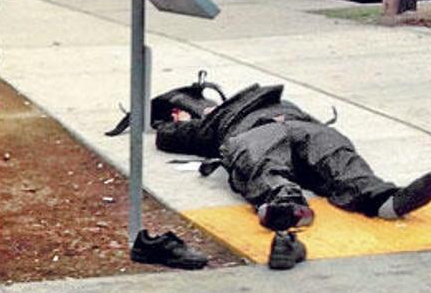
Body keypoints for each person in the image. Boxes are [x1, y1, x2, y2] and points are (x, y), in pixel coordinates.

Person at [151, 82, 431, 231]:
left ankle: (381, 199)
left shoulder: (218, 120)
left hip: (272, 130)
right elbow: (170, 136)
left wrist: (179, 122)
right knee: (329, 154)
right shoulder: (230, 115)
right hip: (295, 127)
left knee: (269, 158)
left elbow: (167, 137)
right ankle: (379, 199)